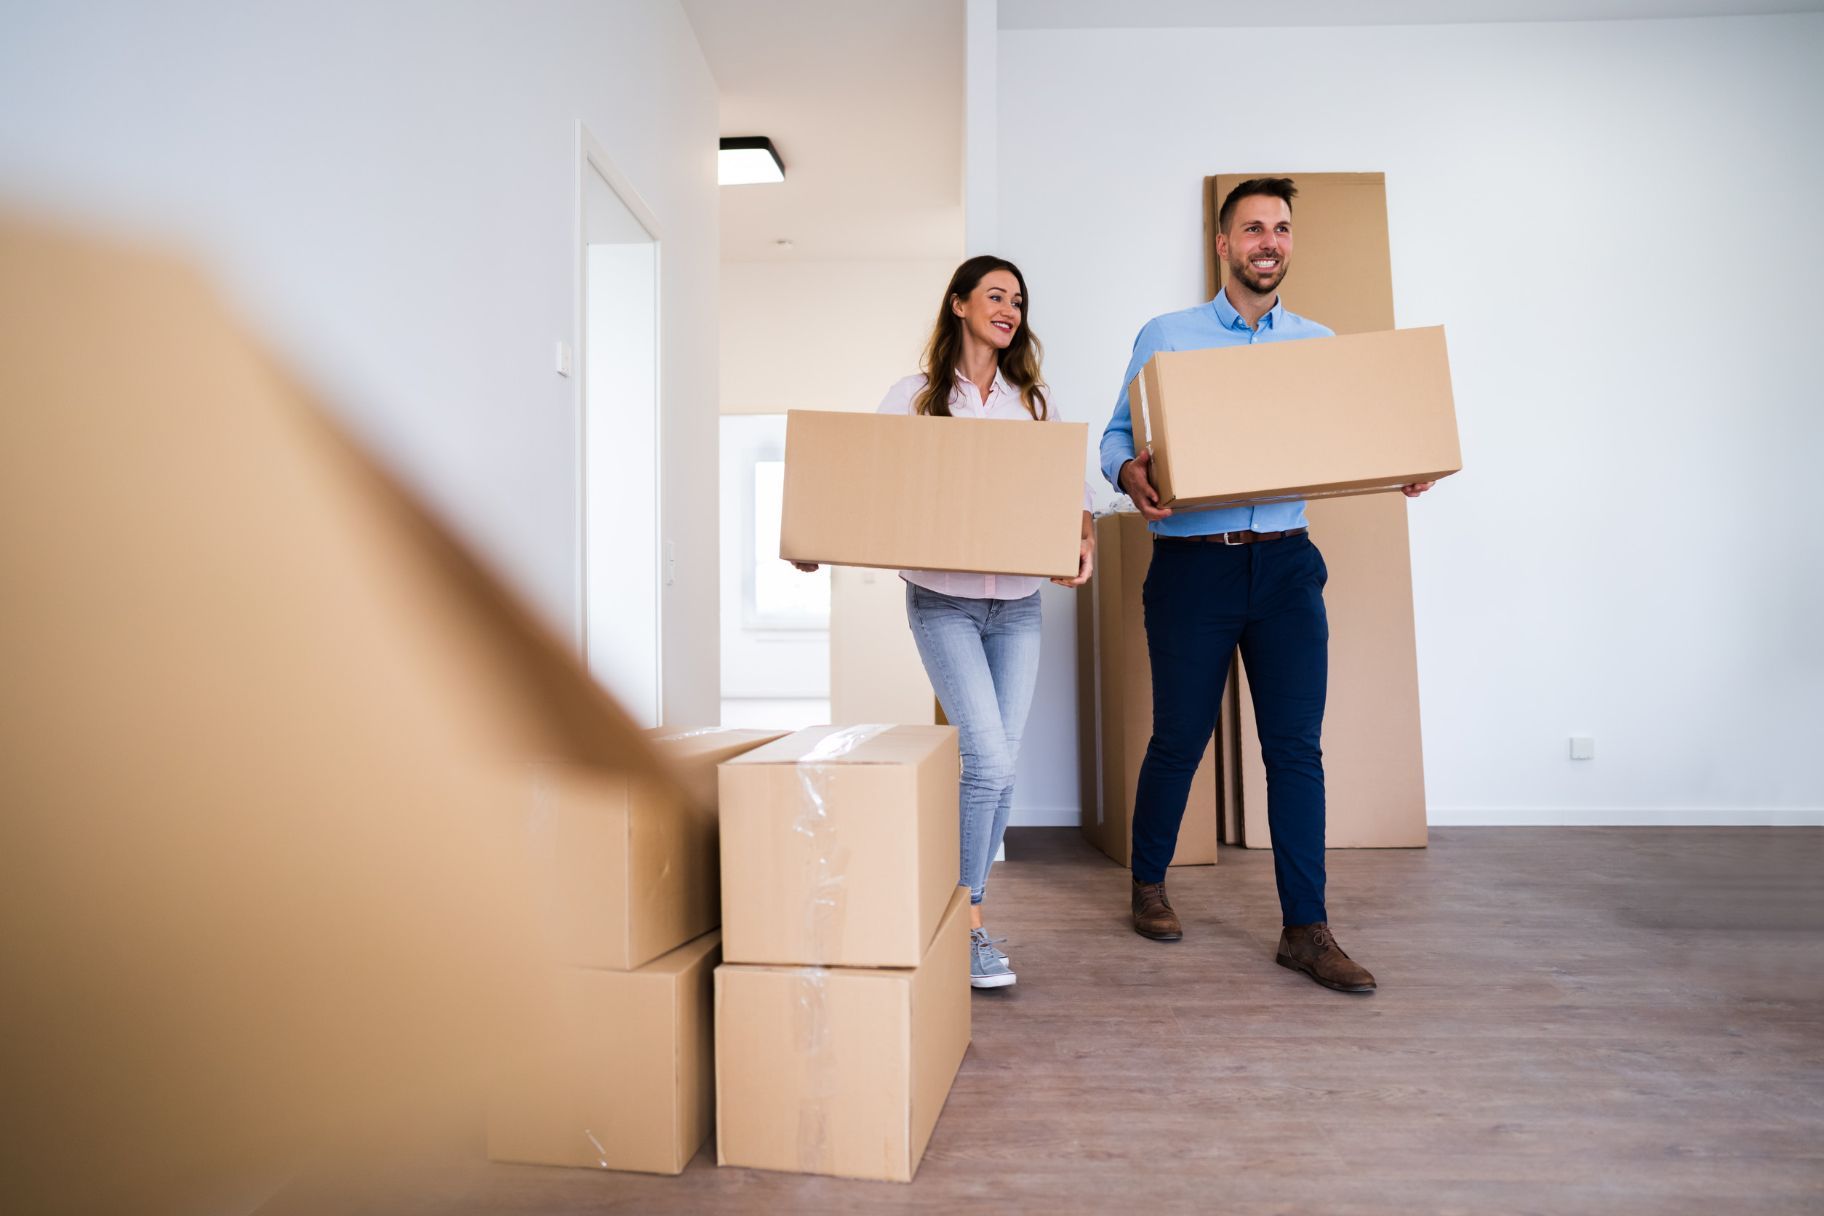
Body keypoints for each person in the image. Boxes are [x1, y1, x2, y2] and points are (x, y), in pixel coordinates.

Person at [1100, 178, 1434, 994]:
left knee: (1294, 750)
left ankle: (1306, 929)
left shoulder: (1317, 343)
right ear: (1223, 244)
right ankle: (1148, 884)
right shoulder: (1167, 336)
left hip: (1286, 564)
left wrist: (1405, 460)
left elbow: (1354, 436)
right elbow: (1117, 435)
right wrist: (1129, 471)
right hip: (1192, 564)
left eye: (1281, 229)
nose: (1269, 242)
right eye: (1253, 228)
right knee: (1180, 737)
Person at [795, 254, 1093, 990]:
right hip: (944, 601)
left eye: (1019, 300)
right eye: (996, 295)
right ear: (959, 304)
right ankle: (970, 925)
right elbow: (868, 485)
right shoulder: (917, 397)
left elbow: (1071, 491)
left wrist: (1080, 544)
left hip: (1020, 604)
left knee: (1003, 766)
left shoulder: (1034, 401)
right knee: (987, 762)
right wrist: (816, 537)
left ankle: (958, 907)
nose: (1010, 309)